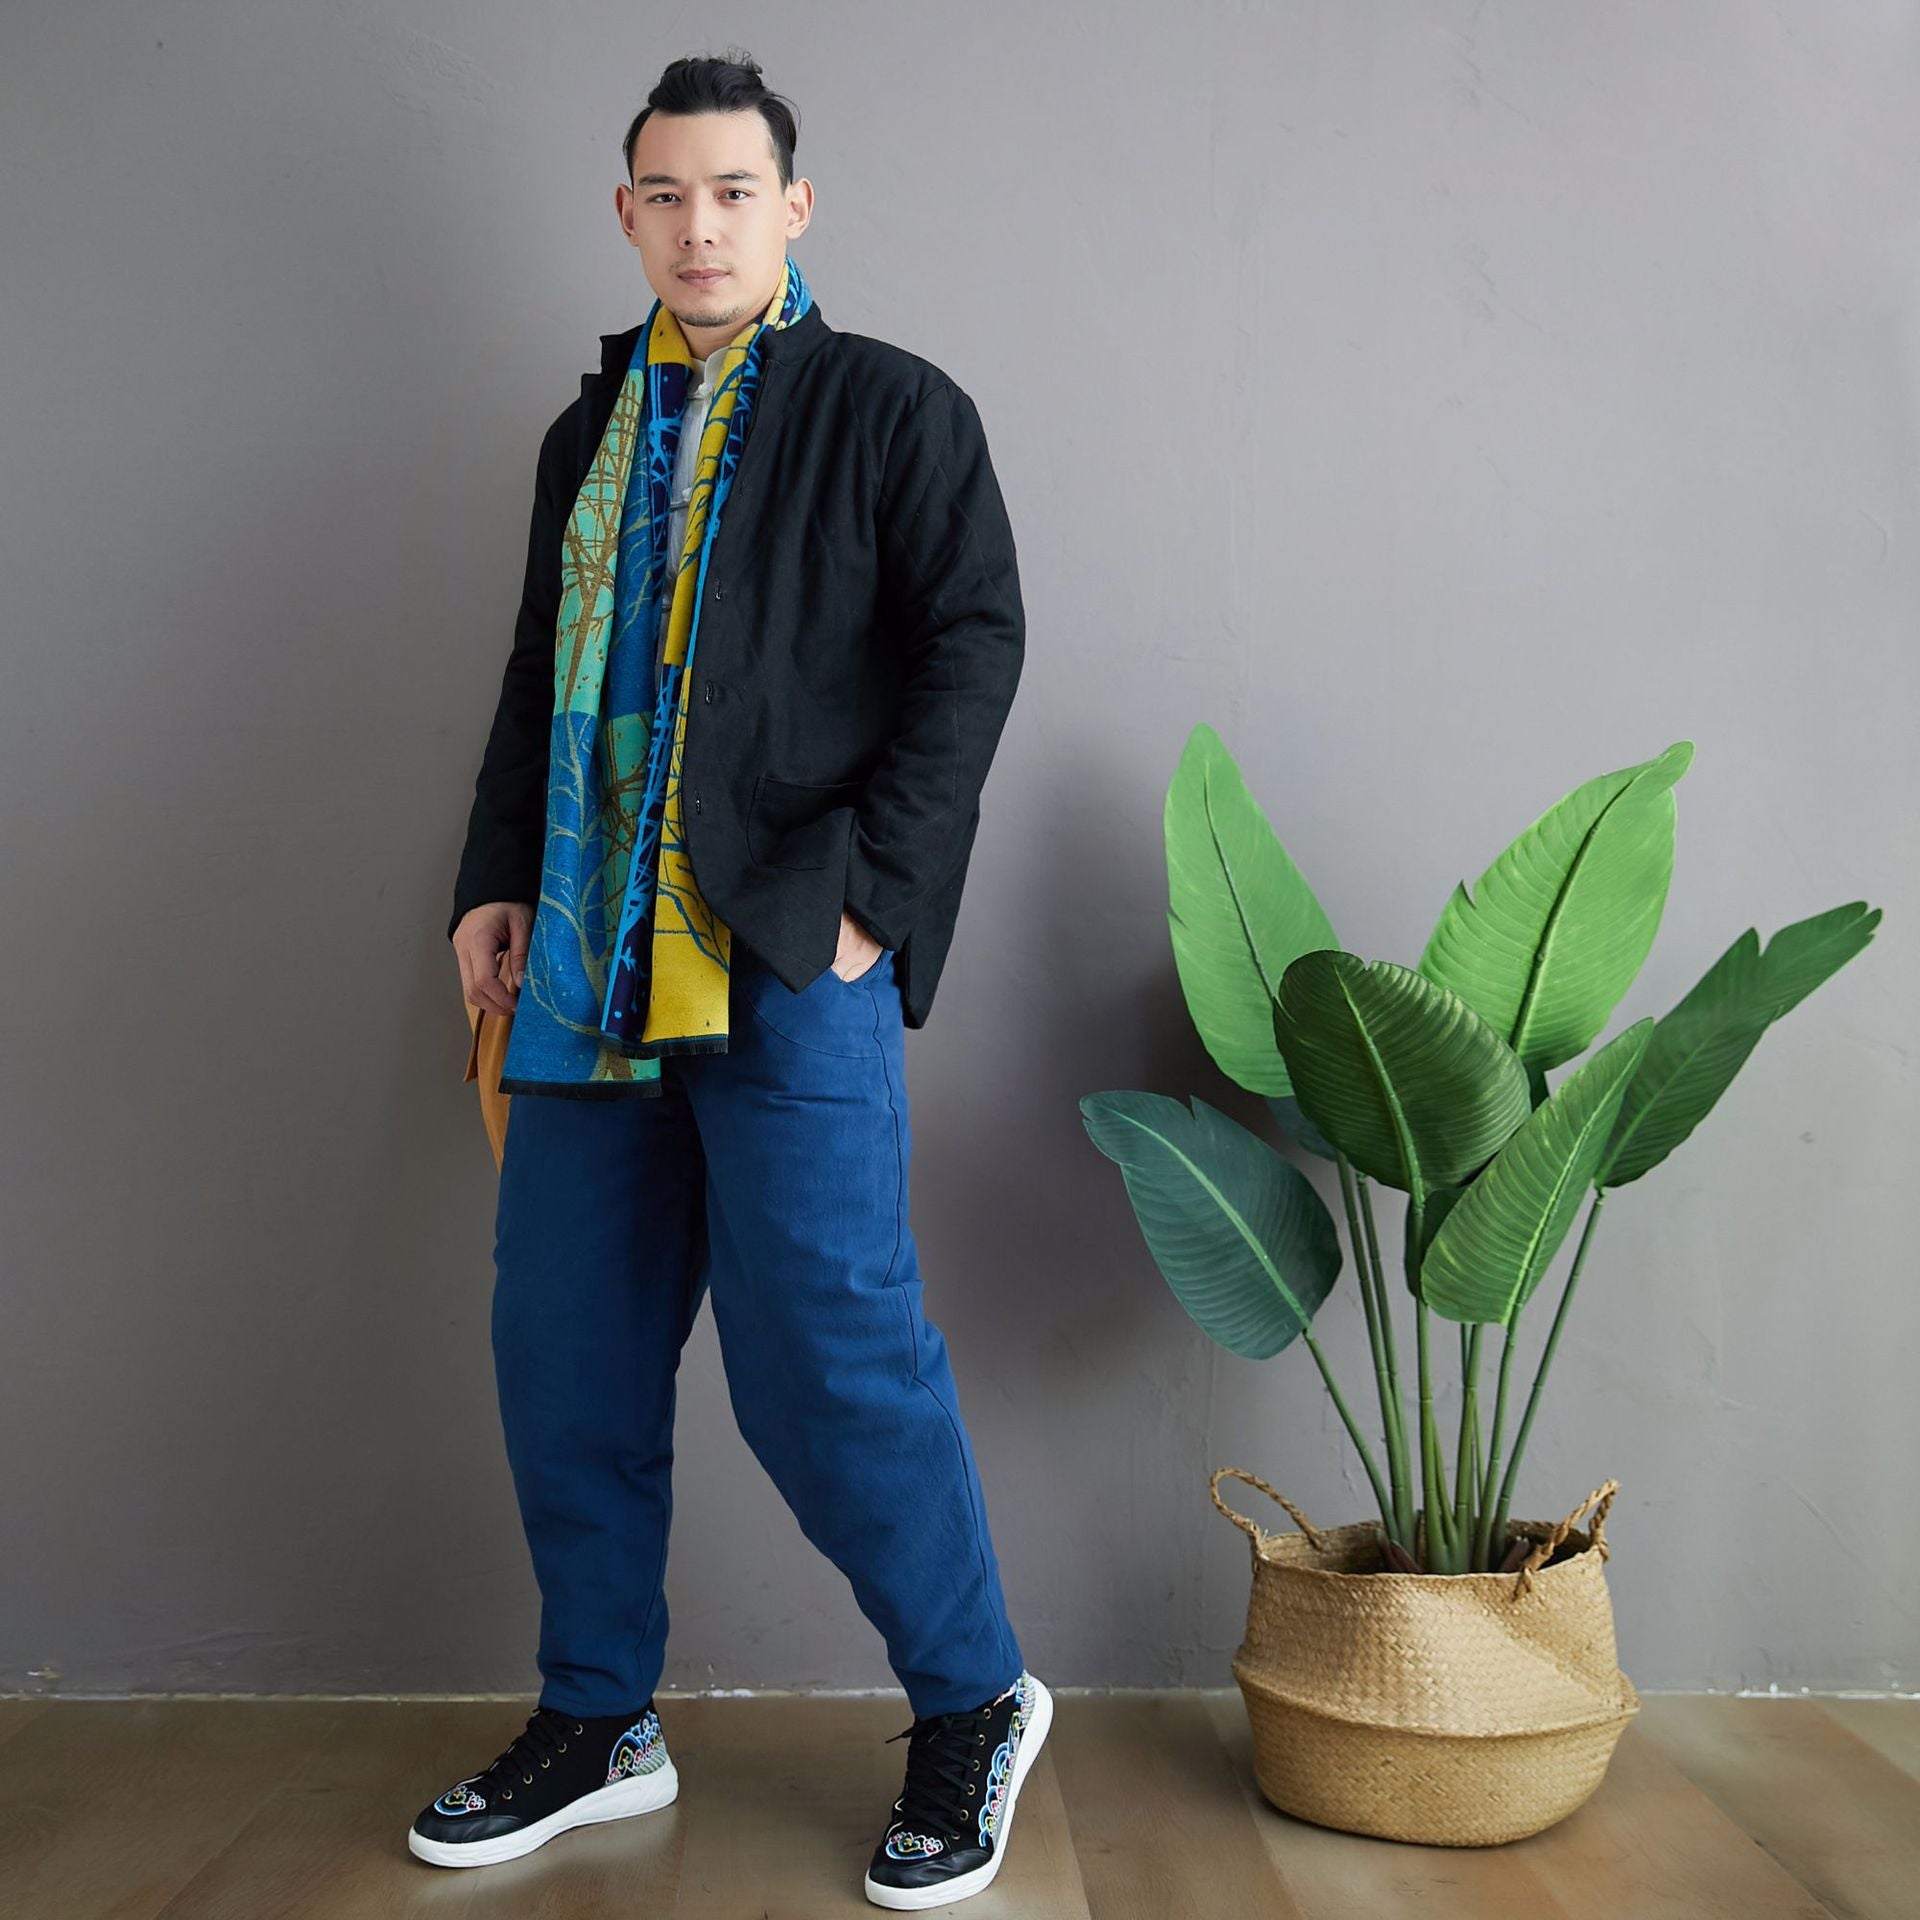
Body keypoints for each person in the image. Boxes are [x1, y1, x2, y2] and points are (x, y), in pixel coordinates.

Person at [413, 51, 1050, 1910]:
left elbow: (975, 645)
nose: (702, 226)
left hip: (784, 951)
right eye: (667, 195)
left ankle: (976, 1698)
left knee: (825, 1356)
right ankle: (600, 1717)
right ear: (628, 215)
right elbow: (537, 670)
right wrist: (494, 879)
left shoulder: (891, 408)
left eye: (734, 191)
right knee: (567, 1353)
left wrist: (874, 899)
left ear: (794, 205)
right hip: (583, 953)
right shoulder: (585, 434)